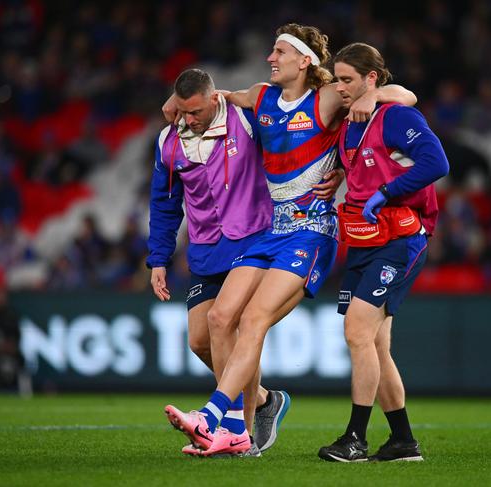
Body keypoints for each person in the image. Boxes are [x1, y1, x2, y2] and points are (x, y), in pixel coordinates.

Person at [163, 24, 417, 457]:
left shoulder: (327, 98)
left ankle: (219, 421)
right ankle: (243, 422)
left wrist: (374, 95)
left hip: (311, 228)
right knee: (221, 318)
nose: (270, 58)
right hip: (269, 229)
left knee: (253, 320)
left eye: (279, 51)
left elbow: (405, 97)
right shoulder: (260, 96)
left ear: (304, 60)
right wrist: (174, 100)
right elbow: (213, 97)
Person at [147, 68, 342, 455]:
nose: (190, 120)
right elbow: (164, 204)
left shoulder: (245, 119)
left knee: (227, 322)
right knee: (200, 341)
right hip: (204, 251)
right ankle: (267, 400)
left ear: (214, 98)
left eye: (197, 111)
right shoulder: (169, 142)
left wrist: (334, 169)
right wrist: (158, 259)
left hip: (254, 239)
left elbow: (295, 126)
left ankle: (240, 433)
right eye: (183, 112)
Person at [317, 42, 449, 463]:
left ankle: (355, 438)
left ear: (372, 79)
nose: (339, 87)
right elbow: (367, 162)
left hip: (400, 238)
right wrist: (343, 172)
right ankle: (403, 441)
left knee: (356, 332)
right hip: (364, 239)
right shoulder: (349, 122)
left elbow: (436, 162)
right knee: (375, 345)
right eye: (336, 78)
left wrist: (388, 191)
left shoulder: (395, 115)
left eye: (348, 79)